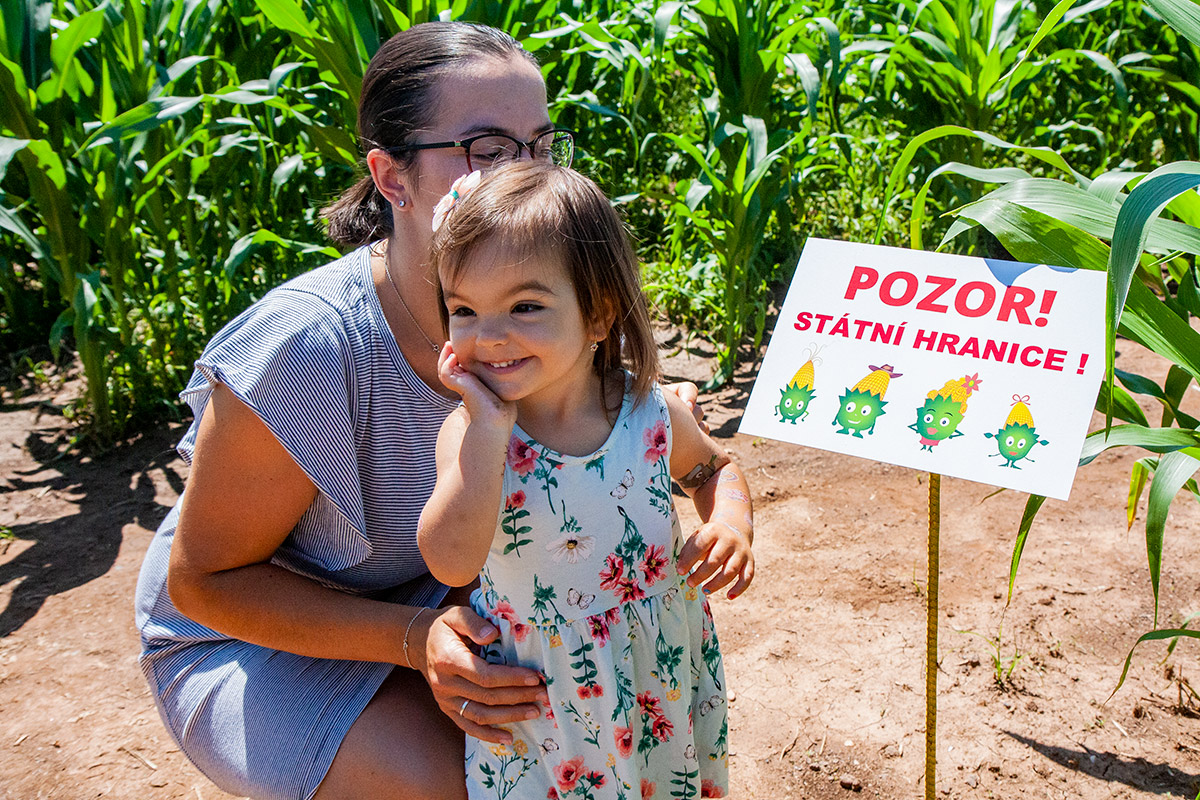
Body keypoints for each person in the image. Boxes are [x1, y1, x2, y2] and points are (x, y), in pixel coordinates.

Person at [133, 21, 708, 800]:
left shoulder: (543, 313)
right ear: (390, 177)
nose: (524, 174)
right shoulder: (306, 349)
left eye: (541, 146)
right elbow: (206, 582)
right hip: (251, 637)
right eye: (487, 149)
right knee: (451, 780)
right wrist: (411, 637)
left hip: (445, 599)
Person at [417, 161, 755, 798]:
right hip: (543, 702)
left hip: (658, 675)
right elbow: (450, 562)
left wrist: (730, 523)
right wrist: (489, 430)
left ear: (598, 315)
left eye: (524, 306)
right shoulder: (471, 435)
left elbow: (714, 468)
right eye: (464, 309)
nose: (489, 336)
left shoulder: (649, 413)